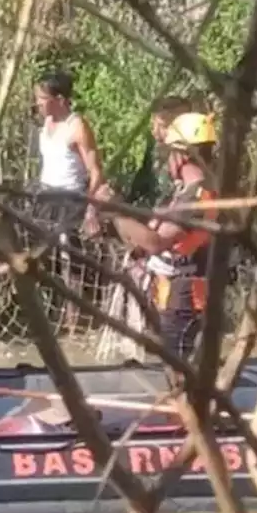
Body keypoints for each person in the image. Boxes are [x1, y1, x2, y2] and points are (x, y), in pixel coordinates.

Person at [97, 113, 218, 357]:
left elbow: (155, 243)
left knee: (180, 373)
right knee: (175, 370)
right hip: (173, 293)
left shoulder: (195, 199)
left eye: (168, 153)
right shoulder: (185, 194)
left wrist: (115, 210)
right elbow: (144, 240)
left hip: (186, 297)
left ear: (183, 155)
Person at [33, 70, 104, 237]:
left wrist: (91, 208)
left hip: (69, 201)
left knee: (68, 253)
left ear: (60, 100)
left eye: (41, 98)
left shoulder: (77, 127)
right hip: (45, 197)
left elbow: (96, 171)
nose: (37, 103)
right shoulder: (47, 122)